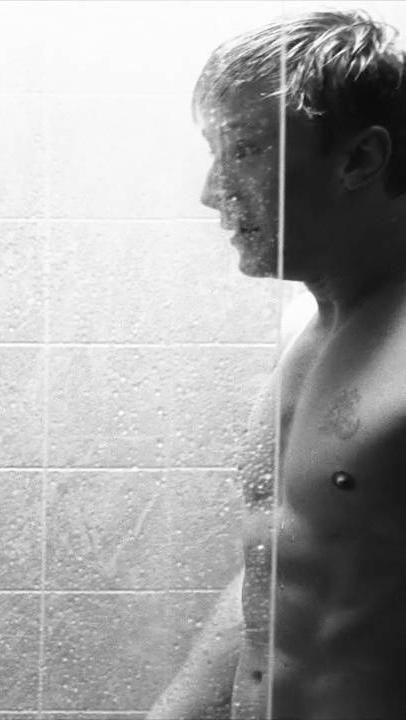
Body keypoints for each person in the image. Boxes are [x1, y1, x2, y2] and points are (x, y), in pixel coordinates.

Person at [148, 9, 406, 719]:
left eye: (244, 149)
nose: (212, 190)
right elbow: (284, 562)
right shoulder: (307, 326)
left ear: (360, 159)